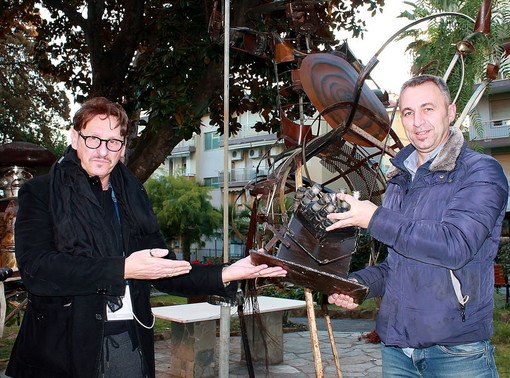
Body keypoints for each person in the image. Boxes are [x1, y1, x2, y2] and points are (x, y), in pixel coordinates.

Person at [6, 97, 286, 378]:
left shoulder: (132, 197)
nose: (103, 151)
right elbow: (38, 270)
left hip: (129, 340)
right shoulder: (41, 192)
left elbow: (164, 270)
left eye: (113, 141)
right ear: (75, 137)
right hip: (60, 349)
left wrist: (226, 273)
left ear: (123, 147)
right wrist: (123, 269)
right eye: (93, 139)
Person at [326, 75, 508, 377]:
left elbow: (455, 246)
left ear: (450, 112)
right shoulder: (400, 179)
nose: (417, 122)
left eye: (428, 109)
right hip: (398, 350)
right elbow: (397, 264)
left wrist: (375, 218)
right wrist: (358, 285)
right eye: (408, 112)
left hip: (455, 352)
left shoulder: (481, 171)